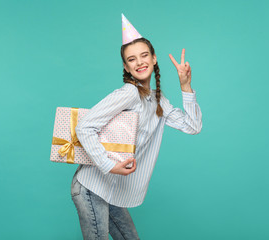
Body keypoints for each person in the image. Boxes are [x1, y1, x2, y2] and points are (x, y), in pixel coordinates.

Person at [70, 14, 202, 240]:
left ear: (154, 59)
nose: (139, 62)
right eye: (132, 59)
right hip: (91, 187)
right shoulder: (129, 93)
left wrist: (186, 86)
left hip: (111, 191)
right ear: (126, 66)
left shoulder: (157, 99)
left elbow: (193, 126)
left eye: (144, 56)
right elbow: (84, 127)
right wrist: (108, 165)